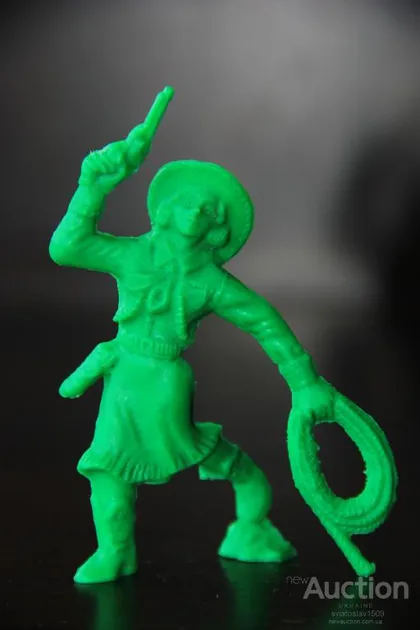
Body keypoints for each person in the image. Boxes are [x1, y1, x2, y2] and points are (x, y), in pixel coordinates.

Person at [49, 98, 336, 585]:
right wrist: (93, 187)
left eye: (208, 208)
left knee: (196, 450)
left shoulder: (212, 283)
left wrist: (304, 381)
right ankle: (115, 551)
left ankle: (250, 514)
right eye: (187, 200)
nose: (197, 209)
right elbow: (66, 248)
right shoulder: (133, 255)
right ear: (166, 209)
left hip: (166, 381)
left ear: (216, 227)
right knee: (107, 465)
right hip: (124, 374)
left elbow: (264, 322)